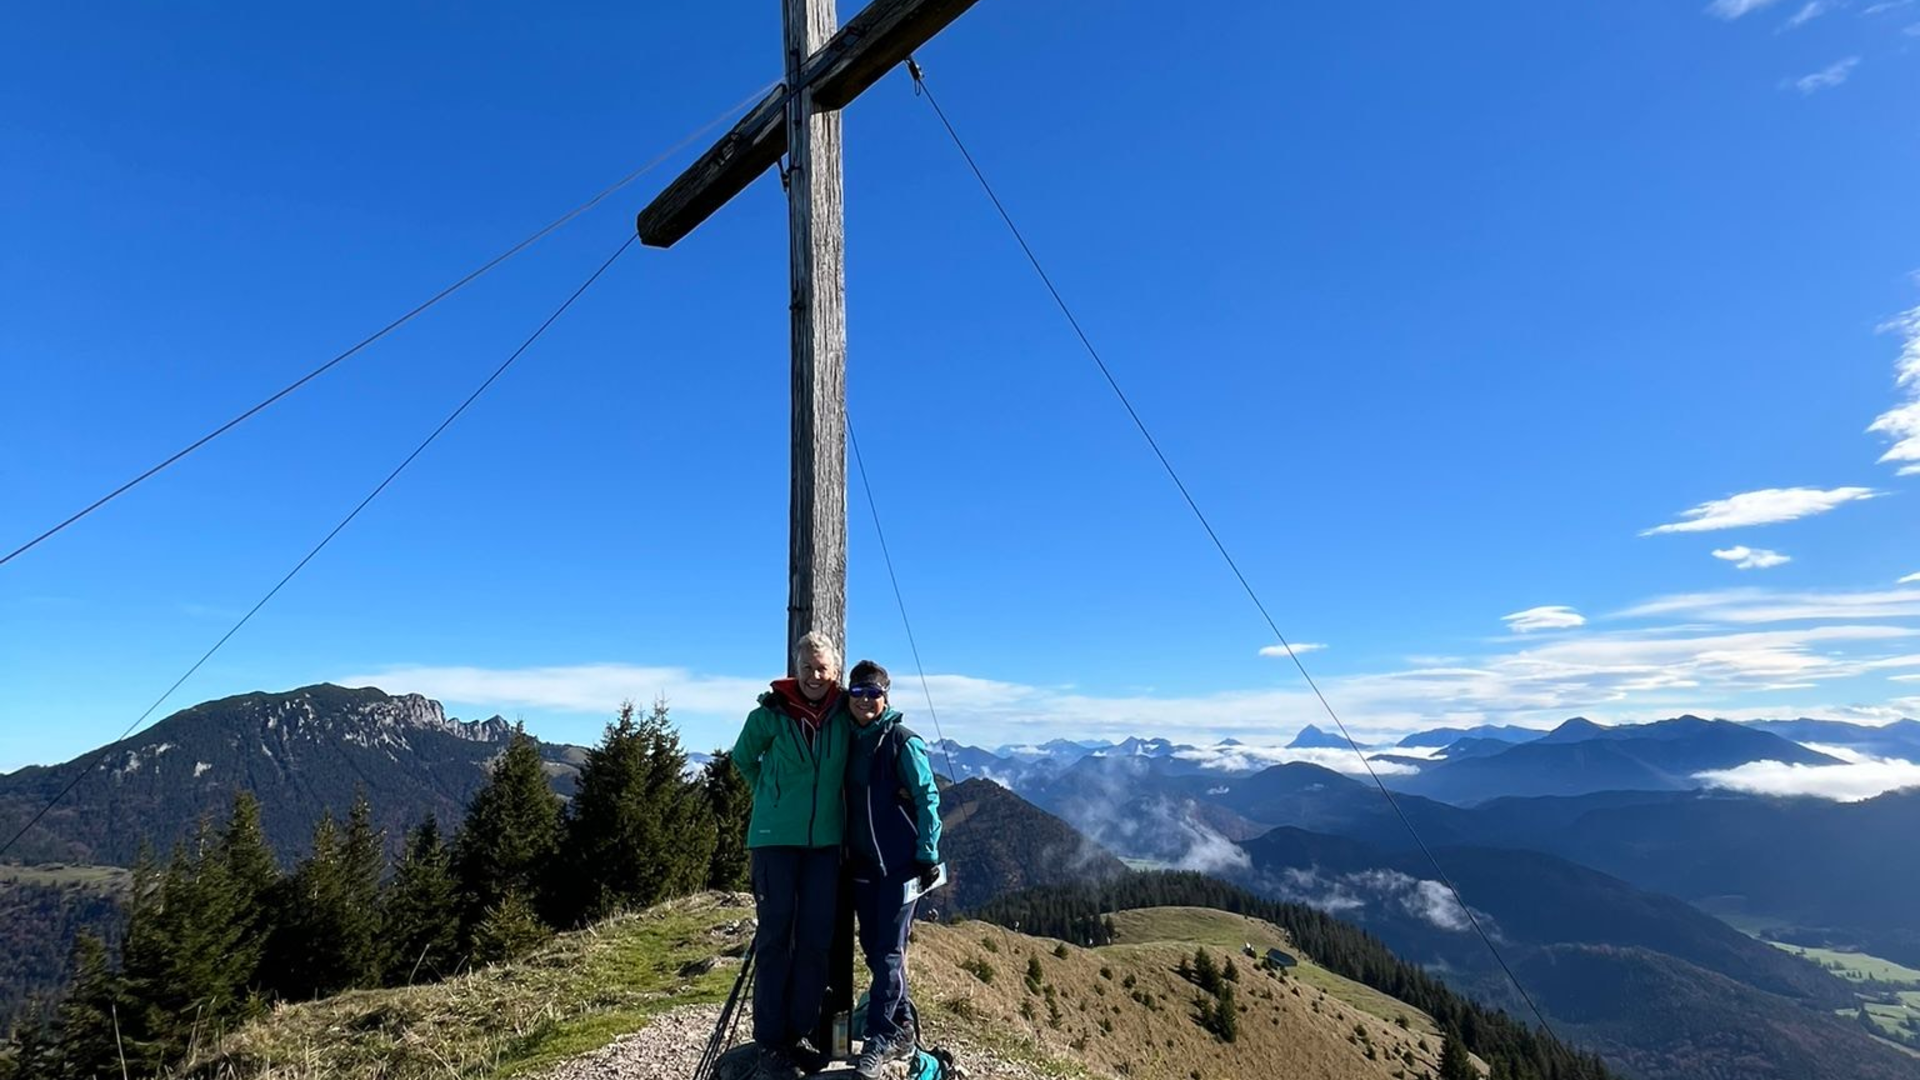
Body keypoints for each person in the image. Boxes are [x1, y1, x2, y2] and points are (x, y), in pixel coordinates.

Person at [731, 631, 854, 1079]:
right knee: (776, 938)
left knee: (817, 940)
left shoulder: (844, 714)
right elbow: (743, 759)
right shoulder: (769, 715)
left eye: (822, 669)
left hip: (825, 843)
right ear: (795, 670)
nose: (815, 676)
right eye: (807, 668)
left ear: (834, 672)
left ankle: (800, 1032)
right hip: (773, 842)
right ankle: (771, 1041)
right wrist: (771, 799)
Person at [841, 659, 942, 1079]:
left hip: (900, 866)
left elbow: (927, 796)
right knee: (873, 949)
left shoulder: (902, 741)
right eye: (858, 692)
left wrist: (928, 853)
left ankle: (880, 1039)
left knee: (888, 953)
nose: (866, 700)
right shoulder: (844, 738)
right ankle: (902, 1028)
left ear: (886, 697)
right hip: (862, 864)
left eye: (873, 693)